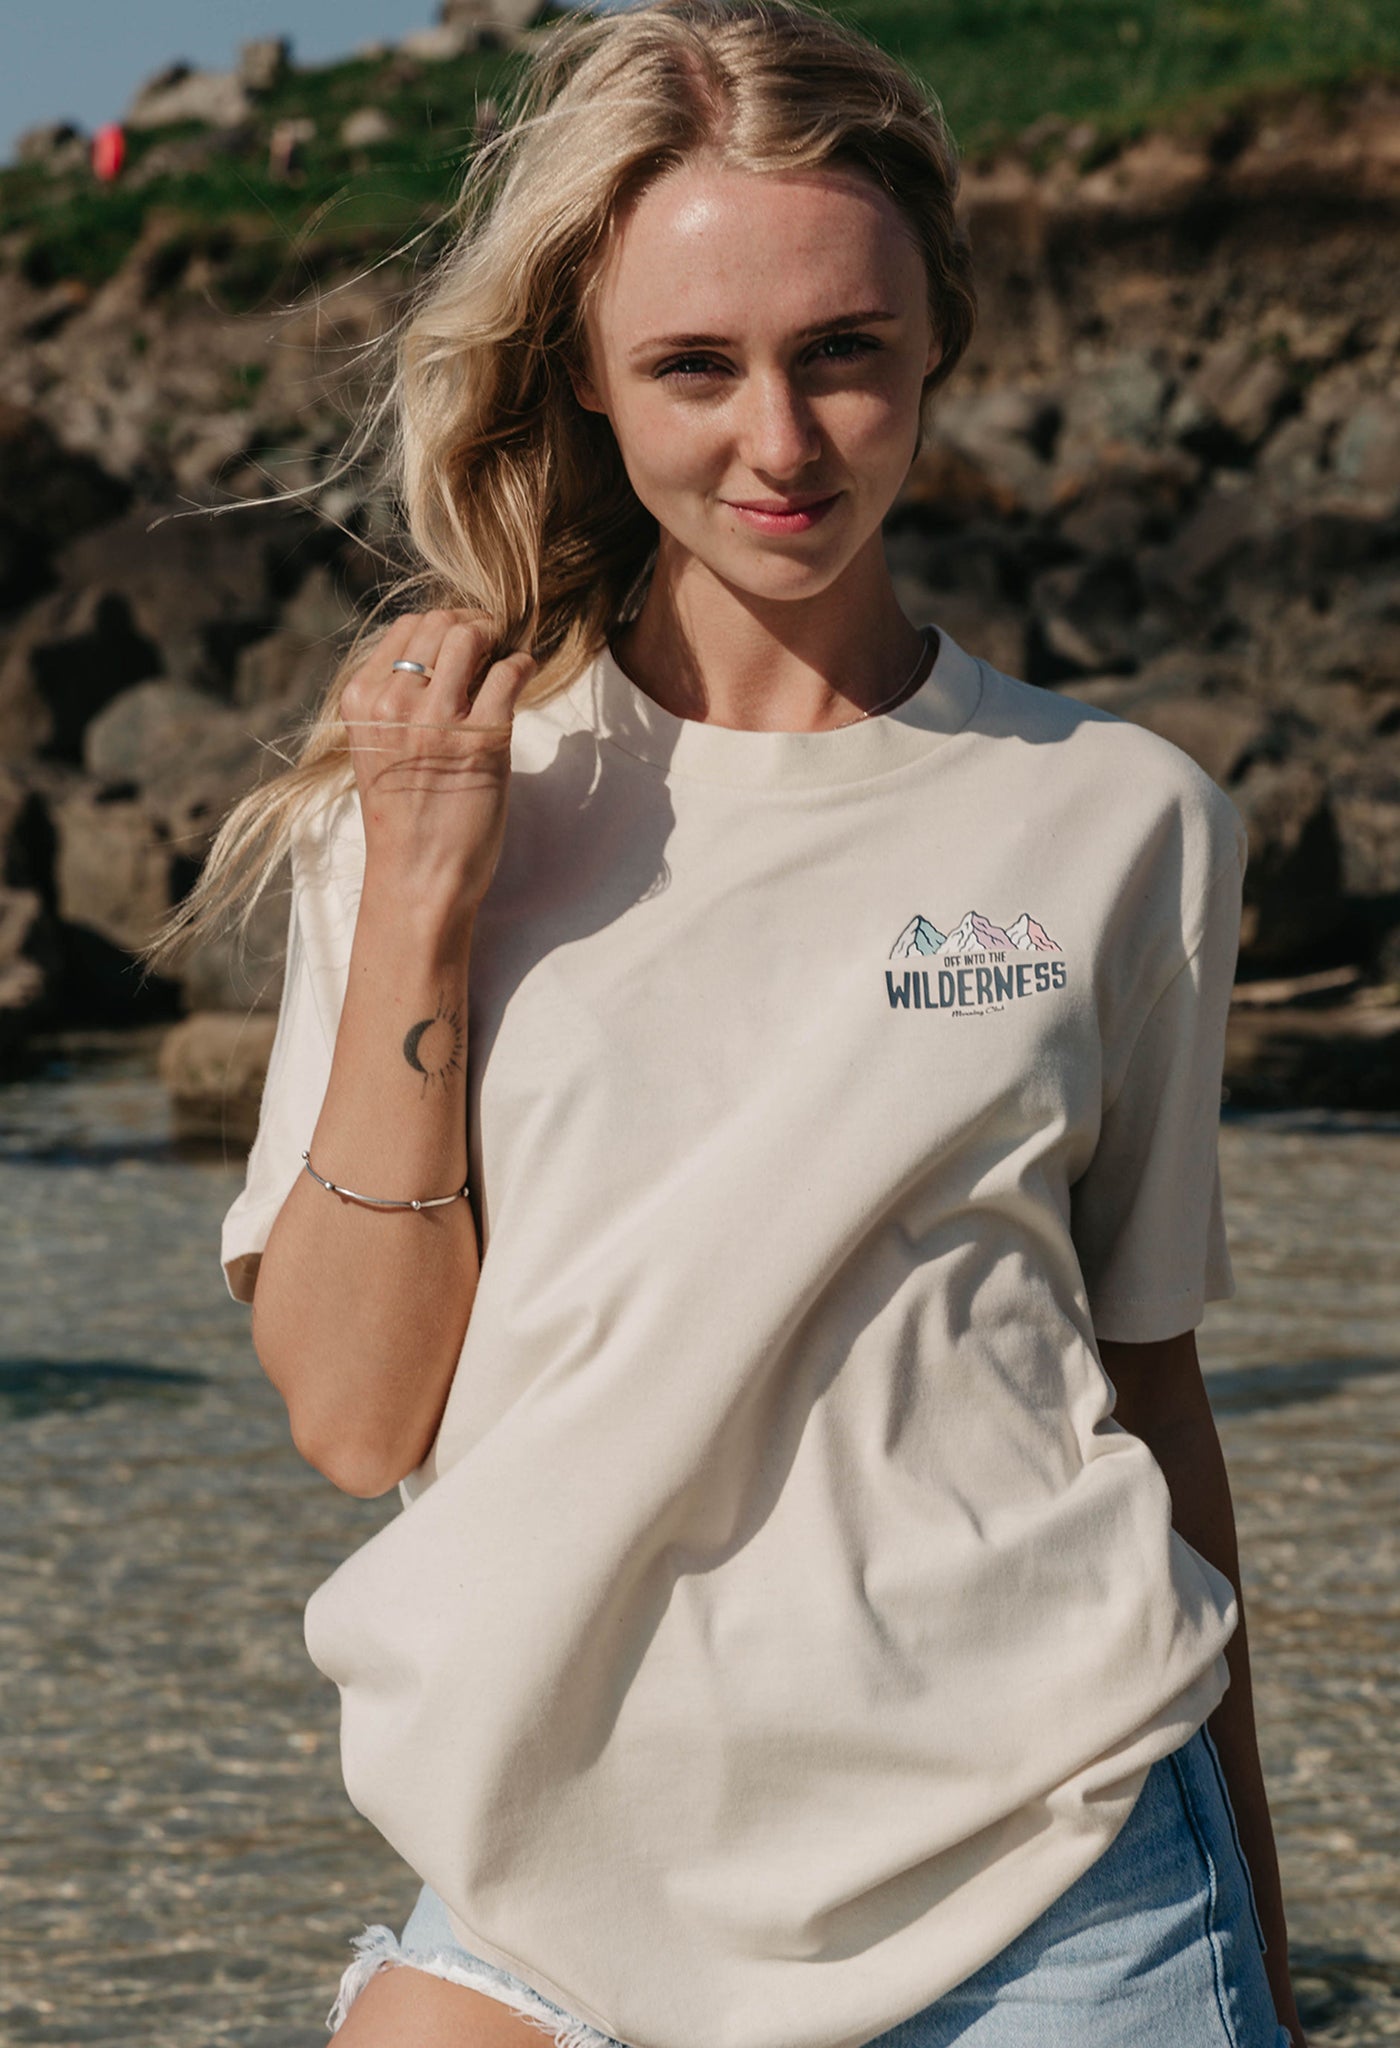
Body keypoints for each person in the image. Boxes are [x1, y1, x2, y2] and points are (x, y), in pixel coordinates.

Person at [146, 0, 1307, 2041]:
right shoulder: (424, 812)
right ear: (582, 379)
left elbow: (1150, 1394)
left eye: (840, 353)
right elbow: (350, 1417)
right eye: (695, 365)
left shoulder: (1121, 821)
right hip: (543, 1903)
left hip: (1056, 1892)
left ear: (932, 333)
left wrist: (1256, 1953)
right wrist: (426, 894)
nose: (779, 444)